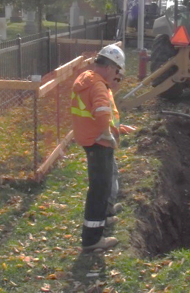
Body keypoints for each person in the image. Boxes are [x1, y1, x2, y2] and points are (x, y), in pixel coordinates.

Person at [71, 44, 128, 252]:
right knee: (99, 189)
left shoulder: (87, 78)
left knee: (101, 185)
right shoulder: (97, 86)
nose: (116, 75)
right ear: (110, 67)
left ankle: (103, 218)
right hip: (99, 141)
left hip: (90, 139)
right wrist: (107, 133)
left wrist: (117, 127)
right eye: (116, 71)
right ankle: (92, 239)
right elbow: (103, 110)